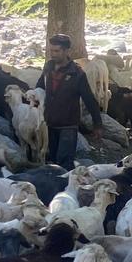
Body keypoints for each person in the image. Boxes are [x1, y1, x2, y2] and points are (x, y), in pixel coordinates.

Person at [35, 33, 102, 170]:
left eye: (57, 51)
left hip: (68, 125)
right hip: (49, 123)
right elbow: (39, 88)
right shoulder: (48, 68)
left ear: (66, 51)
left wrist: (98, 124)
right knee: (52, 162)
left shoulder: (77, 74)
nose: (53, 54)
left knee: (64, 163)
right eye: (51, 51)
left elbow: (89, 99)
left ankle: (66, 188)